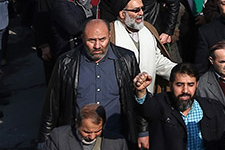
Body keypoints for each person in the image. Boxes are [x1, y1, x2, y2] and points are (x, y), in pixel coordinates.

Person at [40, 19, 151, 147]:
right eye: (91, 40)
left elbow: (136, 100)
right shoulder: (66, 63)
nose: (97, 46)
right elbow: (52, 106)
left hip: (115, 138)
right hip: (78, 141)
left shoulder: (126, 59)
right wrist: (44, 141)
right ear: (82, 38)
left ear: (110, 36)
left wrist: (143, 131)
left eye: (102, 39)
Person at [138, 63, 225, 150]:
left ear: (197, 85)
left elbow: (223, 142)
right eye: (179, 85)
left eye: (190, 85)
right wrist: (141, 92)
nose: (185, 90)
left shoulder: (213, 108)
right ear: (170, 85)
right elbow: (145, 108)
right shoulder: (160, 104)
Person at [110, 0, 177, 88]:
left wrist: (179, 71)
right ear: (122, 14)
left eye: (142, 9)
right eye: (136, 10)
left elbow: (156, 60)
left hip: (147, 94)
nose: (141, 13)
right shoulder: (111, 34)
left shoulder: (148, 29)